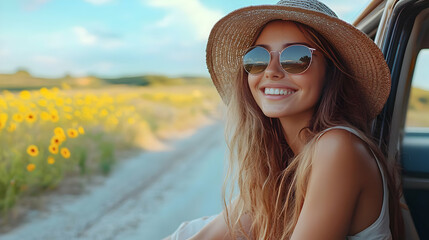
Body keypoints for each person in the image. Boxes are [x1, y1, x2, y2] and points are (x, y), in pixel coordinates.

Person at [165, 0, 404, 239]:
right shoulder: (281, 161)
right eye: (257, 58)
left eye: (297, 57)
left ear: (331, 71)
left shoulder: (337, 146)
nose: (272, 70)